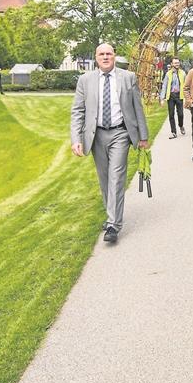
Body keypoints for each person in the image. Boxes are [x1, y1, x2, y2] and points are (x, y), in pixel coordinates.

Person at [71, 43, 149, 245]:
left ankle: (114, 224)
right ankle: (111, 214)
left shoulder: (127, 77)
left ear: (114, 56)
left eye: (109, 53)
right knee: (104, 178)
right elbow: (78, 111)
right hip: (96, 136)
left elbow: (137, 108)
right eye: (101, 54)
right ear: (96, 57)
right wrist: (76, 139)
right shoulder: (85, 80)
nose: (105, 57)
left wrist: (143, 136)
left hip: (120, 133)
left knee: (116, 176)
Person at [158, 57, 186, 139]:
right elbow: (164, 86)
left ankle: (181, 126)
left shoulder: (183, 73)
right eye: (175, 63)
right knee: (171, 114)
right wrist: (162, 98)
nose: (177, 64)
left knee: (180, 114)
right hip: (170, 96)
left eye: (178, 62)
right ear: (172, 64)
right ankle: (173, 132)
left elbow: (186, 85)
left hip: (179, 96)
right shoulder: (168, 74)